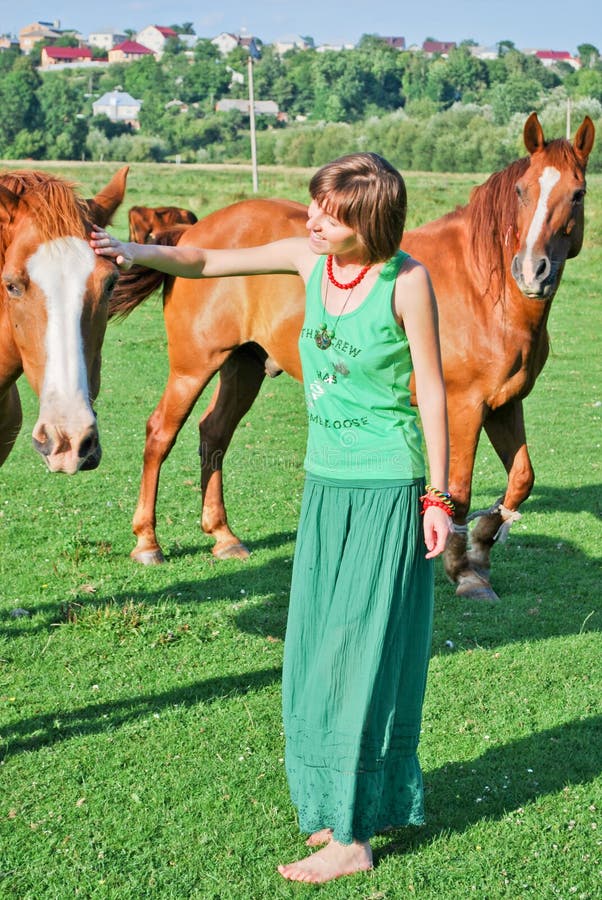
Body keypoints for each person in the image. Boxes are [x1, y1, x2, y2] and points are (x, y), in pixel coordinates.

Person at [90, 152, 453, 884]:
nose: (311, 218)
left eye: (329, 213)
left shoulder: (407, 282)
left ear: (368, 222)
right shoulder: (303, 258)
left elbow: (436, 392)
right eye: (314, 206)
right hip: (324, 486)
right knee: (316, 652)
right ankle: (346, 804)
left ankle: (353, 838)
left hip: (387, 485)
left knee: (360, 653)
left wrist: (438, 498)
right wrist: (130, 250)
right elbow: (203, 260)